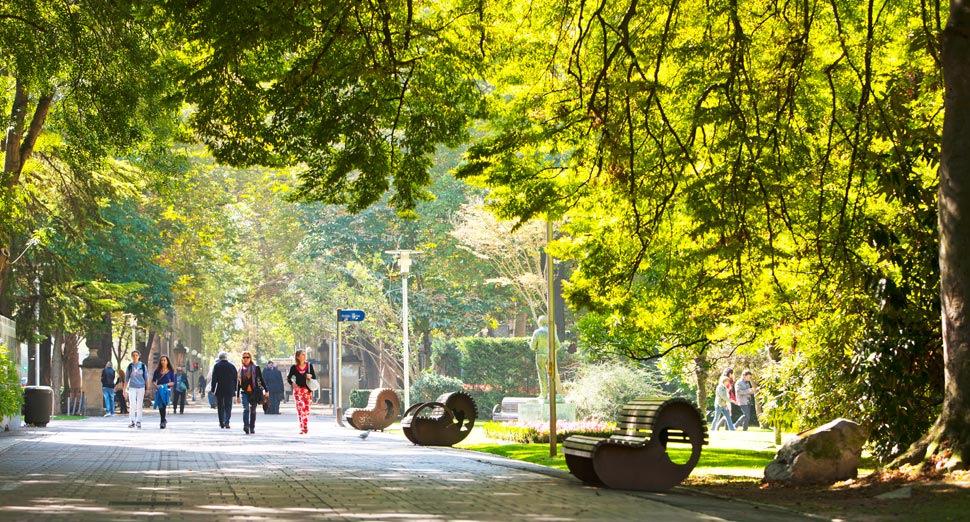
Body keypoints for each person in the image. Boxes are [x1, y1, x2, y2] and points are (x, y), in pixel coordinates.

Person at [529, 315, 565, 398]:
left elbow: (532, 347)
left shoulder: (537, 332)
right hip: (550, 356)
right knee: (551, 373)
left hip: (540, 356)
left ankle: (544, 393)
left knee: (542, 374)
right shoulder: (552, 331)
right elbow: (558, 345)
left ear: (540, 322)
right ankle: (552, 393)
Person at [236, 351, 267, 434]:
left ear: (250, 358)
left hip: (254, 392)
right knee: (246, 409)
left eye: (247, 357)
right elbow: (238, 383)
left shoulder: (256, 368)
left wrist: (266, 390)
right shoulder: (240, 370)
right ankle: (246, 426)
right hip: (244, 392)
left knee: (252, 410)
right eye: (244, 357)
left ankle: (252, 426)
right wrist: (237, 395)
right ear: (242, 359)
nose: (246, 359)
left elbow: (261, 379)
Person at [286, 350, 316, 434]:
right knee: (300, 409)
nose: (304, 356)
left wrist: (310, 377)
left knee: (306, 409)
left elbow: (314, 377)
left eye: (305, 354)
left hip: (307, 391)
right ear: (298, 357)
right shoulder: (294, 367)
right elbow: (288, 378)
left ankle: (305, 425)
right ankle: (301, 426)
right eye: (302, 354)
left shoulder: (309, 366)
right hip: (298, 391)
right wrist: (293, 384)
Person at [210, 352, 238, 429]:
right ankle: (227, 421)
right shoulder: (231, 366)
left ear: (219, 358)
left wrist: (213, 389)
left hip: (220, 388)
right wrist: (235, 389)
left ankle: (221, 422)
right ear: (226, 357)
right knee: (228, 405)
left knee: (220, 406)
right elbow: (235, 378)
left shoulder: (217, 366)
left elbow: (214, 379)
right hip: (229, 388)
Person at [124, 350, 148, 429]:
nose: (135, 357)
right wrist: (124, 390)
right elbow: (126, 378)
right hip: (132, 387)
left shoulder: (143, 366)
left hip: (141, 387)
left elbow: (146, 378)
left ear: (139, 356)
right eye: (133, 355)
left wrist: (147, 388)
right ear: (132, 356)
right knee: (132, 404)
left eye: (136, 355)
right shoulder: (130, 366)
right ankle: (132, 421)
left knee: (139, 404)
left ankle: (138, 421)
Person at [152, 355, 175, 429]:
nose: (163, 361)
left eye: (164, 360)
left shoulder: (170, 372)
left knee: (164, 405)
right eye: (161, 360)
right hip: (159, 390)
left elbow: (173, 382)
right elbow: (153, 380)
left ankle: (163, 420)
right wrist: (156, 386)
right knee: (160, 405)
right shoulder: (157, 371)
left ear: (167, 361)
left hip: (166, 390)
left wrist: (166, 385)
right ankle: (162, 421)